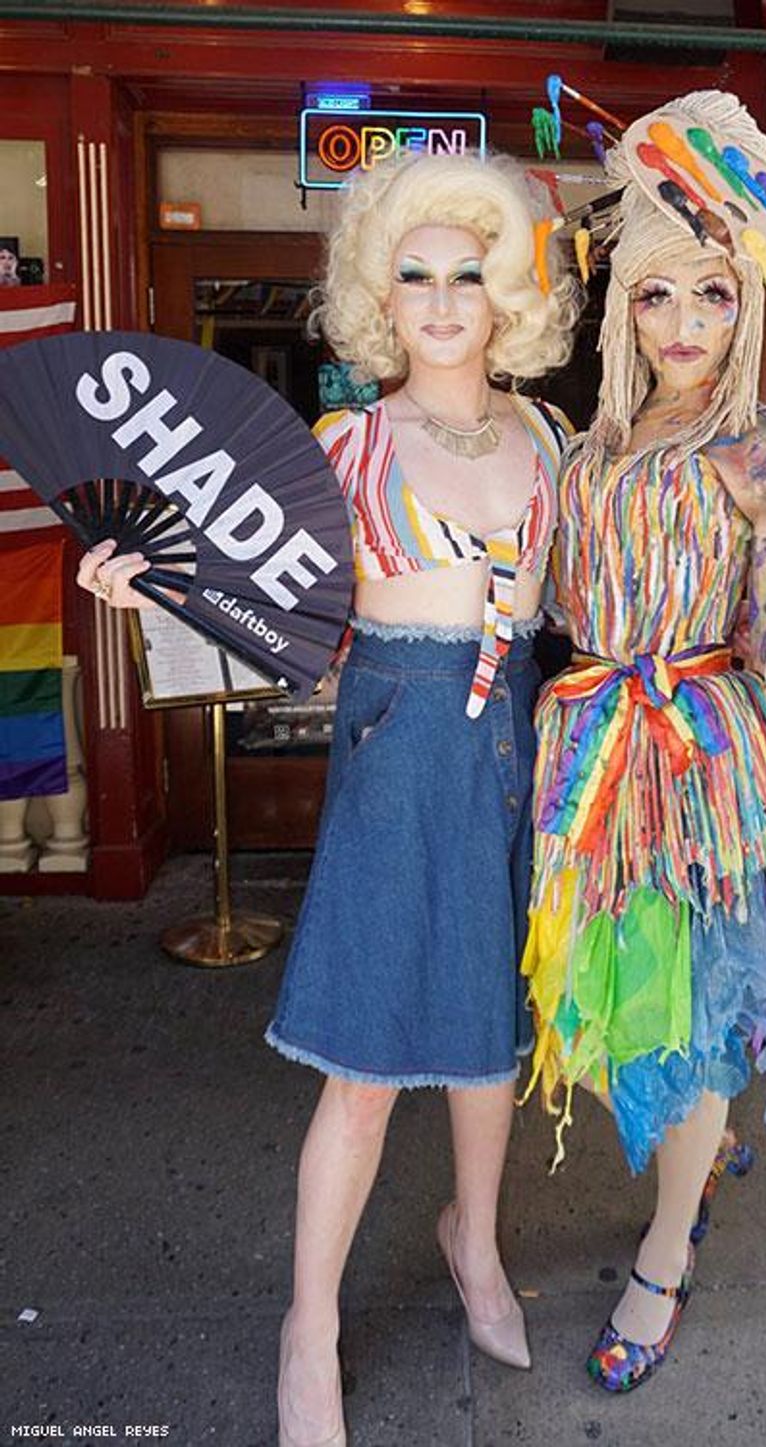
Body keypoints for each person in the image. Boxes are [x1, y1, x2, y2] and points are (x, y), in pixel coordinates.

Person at [77, 152, 576, 1447]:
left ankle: (474, 1242)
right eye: (415, 274)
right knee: (361, 1069)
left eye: (470, 269)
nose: (445, 296)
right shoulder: (344, 446)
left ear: (509, 287)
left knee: (486, 1044)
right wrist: (153, 587)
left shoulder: (553, 439)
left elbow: (591, 611)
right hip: (392, 760)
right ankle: (311, 1322)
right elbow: (252, 606)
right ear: (378, 295)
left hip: (508, 764)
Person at [520, 90, 766, 1393]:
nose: (686, 326)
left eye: (714, 296)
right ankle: (708, 1138)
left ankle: (667, 1256)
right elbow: (559, 610)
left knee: (687, 1008)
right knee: (643, 1006)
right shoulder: (587, 450)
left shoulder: (765, 451)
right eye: (658, 297)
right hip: (591, 756)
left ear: (748, 306)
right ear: (623, 308)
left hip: (702, 764)